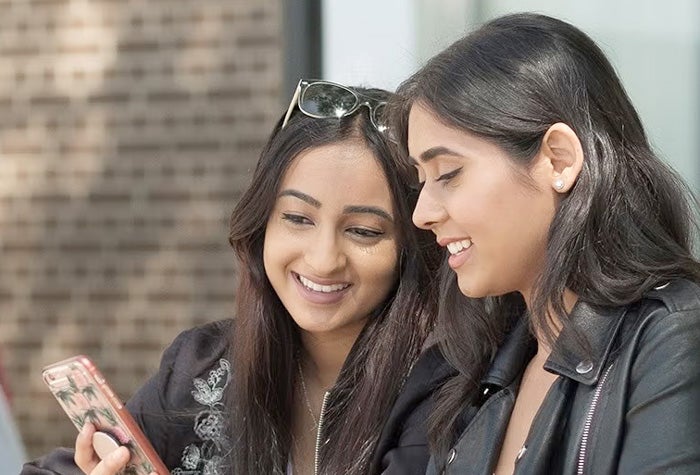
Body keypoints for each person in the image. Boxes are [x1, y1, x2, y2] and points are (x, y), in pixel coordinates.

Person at [22, 80, 440, 475]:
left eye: (363, 231)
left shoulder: (444, 389)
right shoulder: (201, 367)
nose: (323, 259)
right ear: (262, 225)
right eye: (297, 218)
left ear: (412, 244)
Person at [374, 12, 700, 475]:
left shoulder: (672, 340)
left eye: (448, 173)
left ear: (558, 159)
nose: (421, 213)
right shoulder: (478, 373)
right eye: (421, 181)